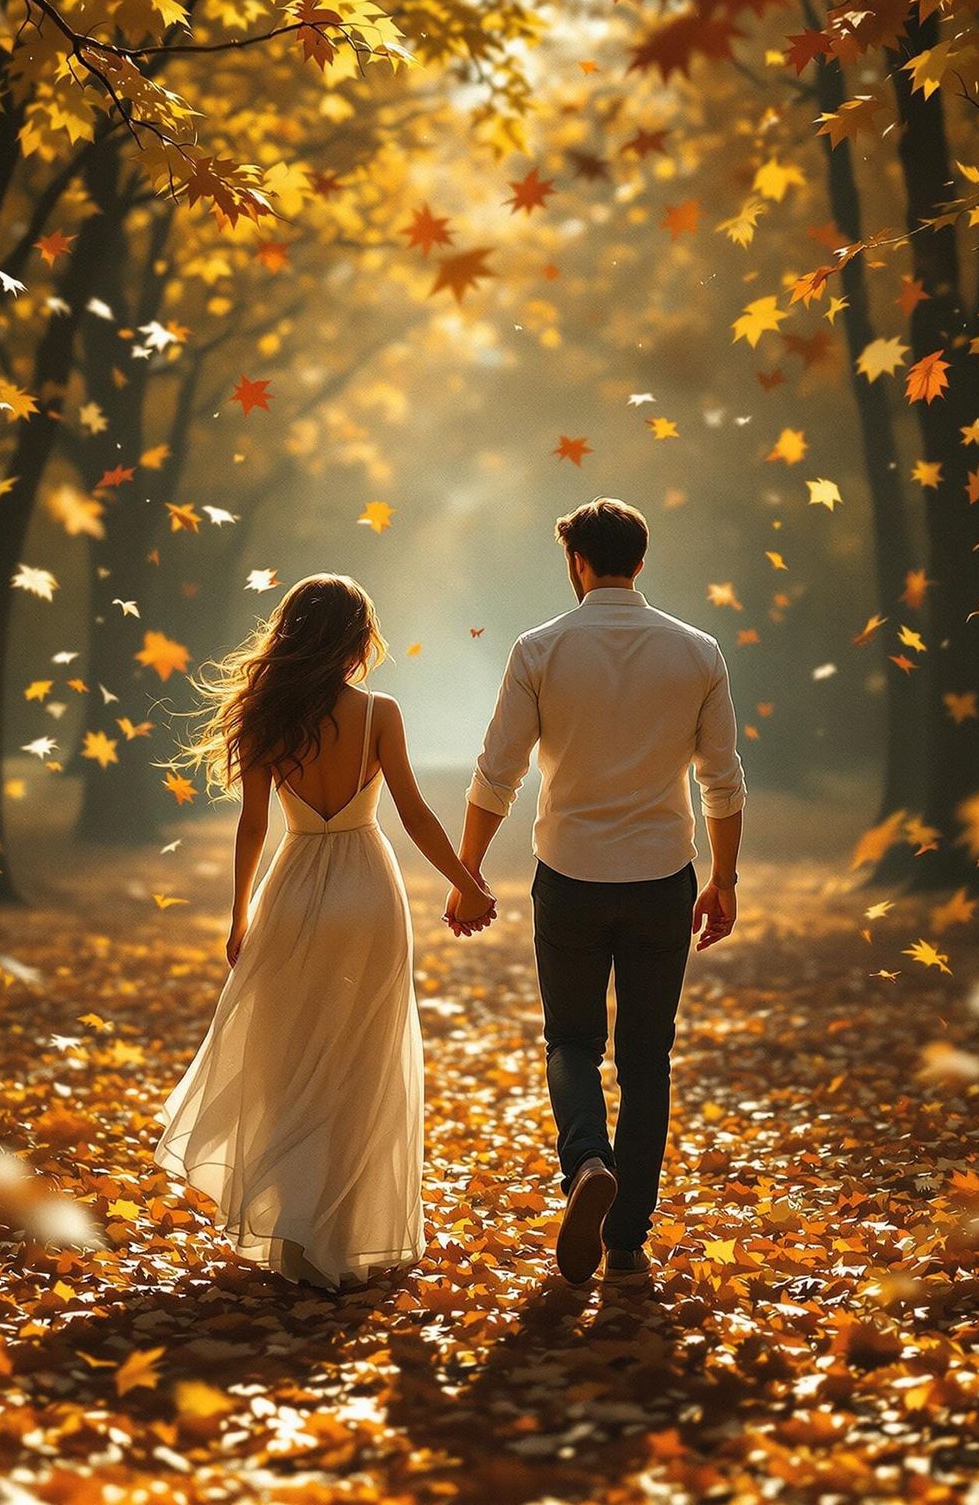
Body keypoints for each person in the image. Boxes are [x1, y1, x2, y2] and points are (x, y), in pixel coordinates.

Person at [155, 574, 495, 1287]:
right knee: (360, 1060)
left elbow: (253, 826)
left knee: (287, 1060)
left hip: (293, 889)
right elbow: (413, 813)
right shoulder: (379, 712)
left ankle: (293, 1230)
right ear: (355, 639)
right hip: (368, 893)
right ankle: (343, 1233)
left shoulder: (266, 715)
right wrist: (467, 884)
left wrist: (239, 913)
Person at [451, 498, 745, 1285]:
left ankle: (587, 1161)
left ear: (577, 562)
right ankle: (627, 1244)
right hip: (661, 879)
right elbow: (722, 780)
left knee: (572, 1043)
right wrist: (723, 879)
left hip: (571, 877)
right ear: (639, 562)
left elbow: (497, 771)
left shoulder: (539, 649)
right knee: (648, 1058)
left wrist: (469, 868)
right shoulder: (698, 652)